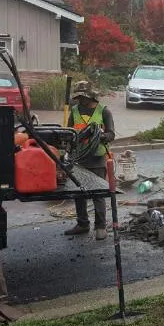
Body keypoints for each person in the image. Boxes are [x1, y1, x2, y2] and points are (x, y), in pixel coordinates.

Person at [63, 81, 115, 240]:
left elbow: (111, 134)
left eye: (82, 97)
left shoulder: (104, 112)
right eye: (78, 97)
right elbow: (69, 133)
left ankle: (100, 227)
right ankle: (82, 224)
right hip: (78, 158)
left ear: (91, 95)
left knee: (97, 193)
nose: (80, 100)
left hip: (97, 159)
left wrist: (100, 136)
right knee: (78, 193)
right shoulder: (75, 110)